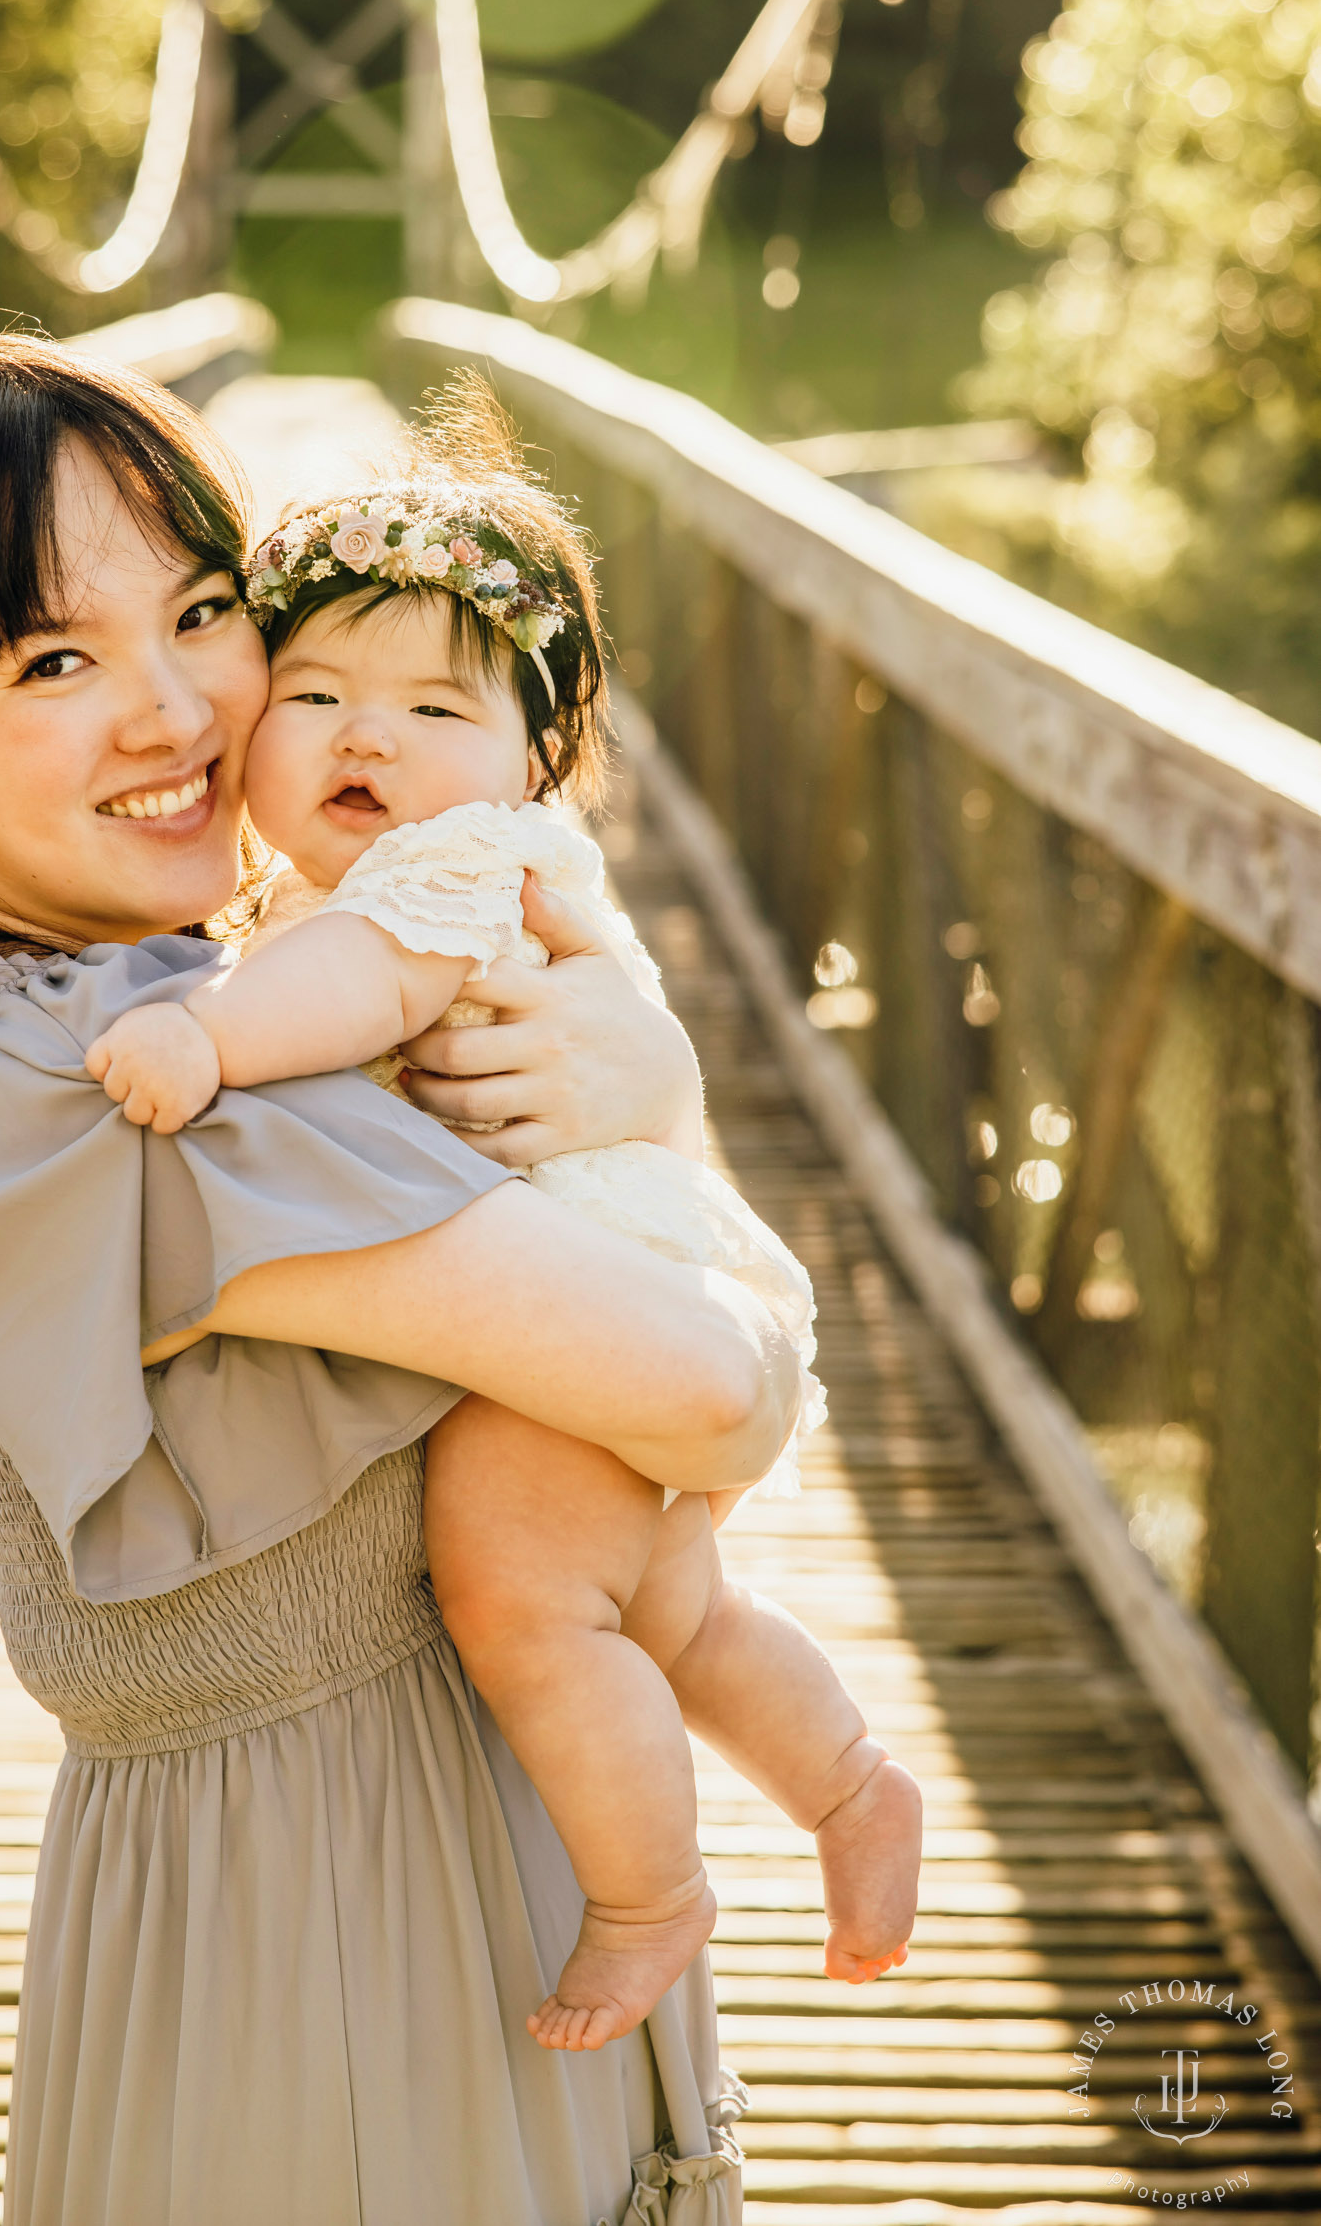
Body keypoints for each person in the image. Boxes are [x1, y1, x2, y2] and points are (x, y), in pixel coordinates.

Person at [0, 328, 810, 2226]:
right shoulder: (131, 1087)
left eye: (202, 610)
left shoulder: (153, 1018)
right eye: (51, 661)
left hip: (304, 1894)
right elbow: (713, 1392)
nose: (178, 711)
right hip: (355, 1945)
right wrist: (661, 1101)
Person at [83, 382, 922, 2054]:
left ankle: (649, 1896)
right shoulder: (482, 856)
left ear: (537, 758)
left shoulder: (445, 875)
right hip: (630, 1255)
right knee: (673, 1610)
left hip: (592, 1289)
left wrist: (206, 1031)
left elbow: (355, 981)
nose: (362, 738)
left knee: (523, 1601)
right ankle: (848, 1784)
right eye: (311, 693)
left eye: (428, 707)